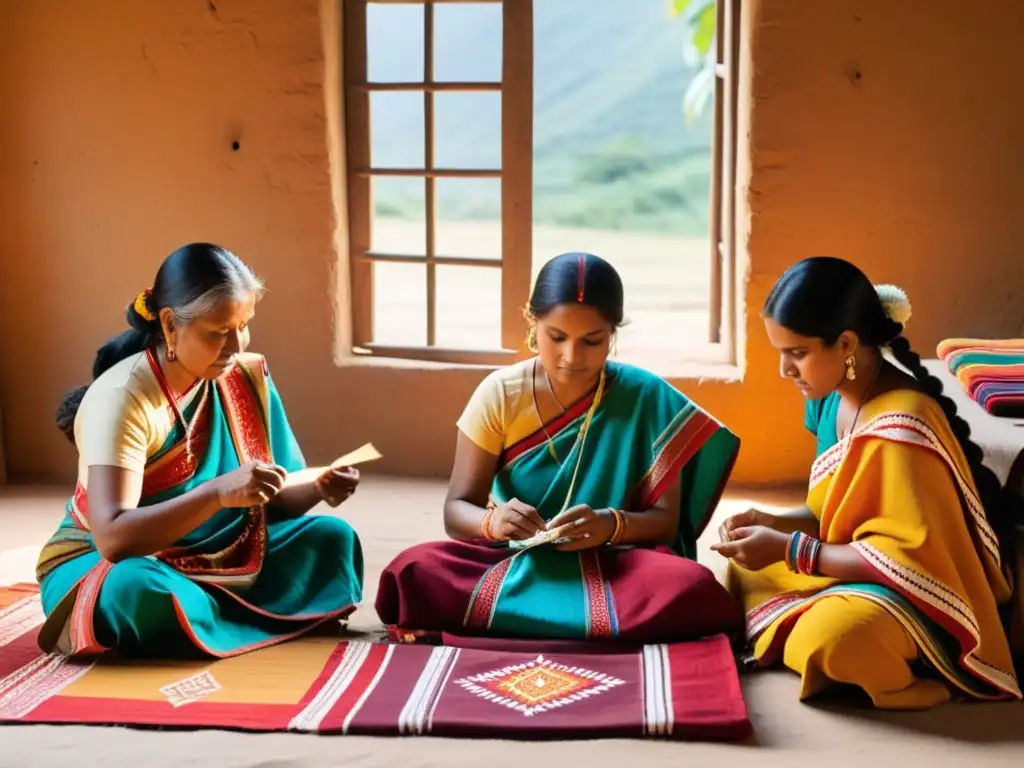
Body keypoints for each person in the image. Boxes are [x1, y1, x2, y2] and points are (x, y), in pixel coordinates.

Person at [376, 252, 743, 644]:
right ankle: (586, 624)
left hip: (614, 562)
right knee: (414, 570)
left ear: (613, 334)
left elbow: (665, 522)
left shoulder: (646, 396)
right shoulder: (500, 394)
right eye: (557, 337)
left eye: (592, 340)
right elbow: (457, 509)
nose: (572, 356)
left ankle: (525, 620)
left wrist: (610, 524)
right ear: (534, 325)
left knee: (692, 585)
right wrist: (493, 523)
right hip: (517, 558)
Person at [712, 256, 1021, 708]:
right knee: (744, 568)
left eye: (797, 353)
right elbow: (834, 514)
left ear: (846, 344)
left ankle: (912, 685)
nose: (785, 370)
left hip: (924, 594)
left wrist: (787, 549)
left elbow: (911, 563)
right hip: (856, 566)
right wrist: (773, 521)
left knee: (834, 642)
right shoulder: (827, 400)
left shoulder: (904, 423)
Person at [37, 243, 364, 658]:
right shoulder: (122, 399)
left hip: (225, 548)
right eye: (218, 331)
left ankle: (206, 618)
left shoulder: (245, 374)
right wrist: (217, 494)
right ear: (171, 326)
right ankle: (220, 614)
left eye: (243, 325)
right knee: (140, 590)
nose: (236, 345)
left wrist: (318, 486)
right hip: (119, 562)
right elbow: (113, 539)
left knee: (332, 540)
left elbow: (272, 501)